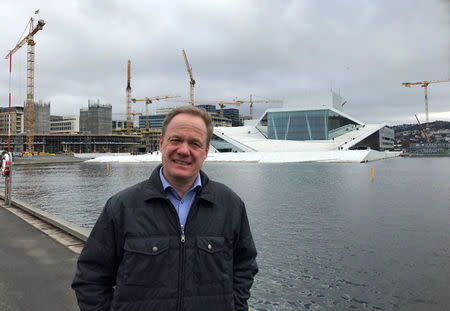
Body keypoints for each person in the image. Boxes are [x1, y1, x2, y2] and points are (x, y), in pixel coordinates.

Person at [72, 105, 258, 311]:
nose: (184, 150)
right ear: (161, 143)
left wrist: (235, 306)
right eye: (176, 140)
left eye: (194, 143)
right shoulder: (122, 207)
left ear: (205, 152)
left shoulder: (230, 206)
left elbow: (245, 266)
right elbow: (90, 278)